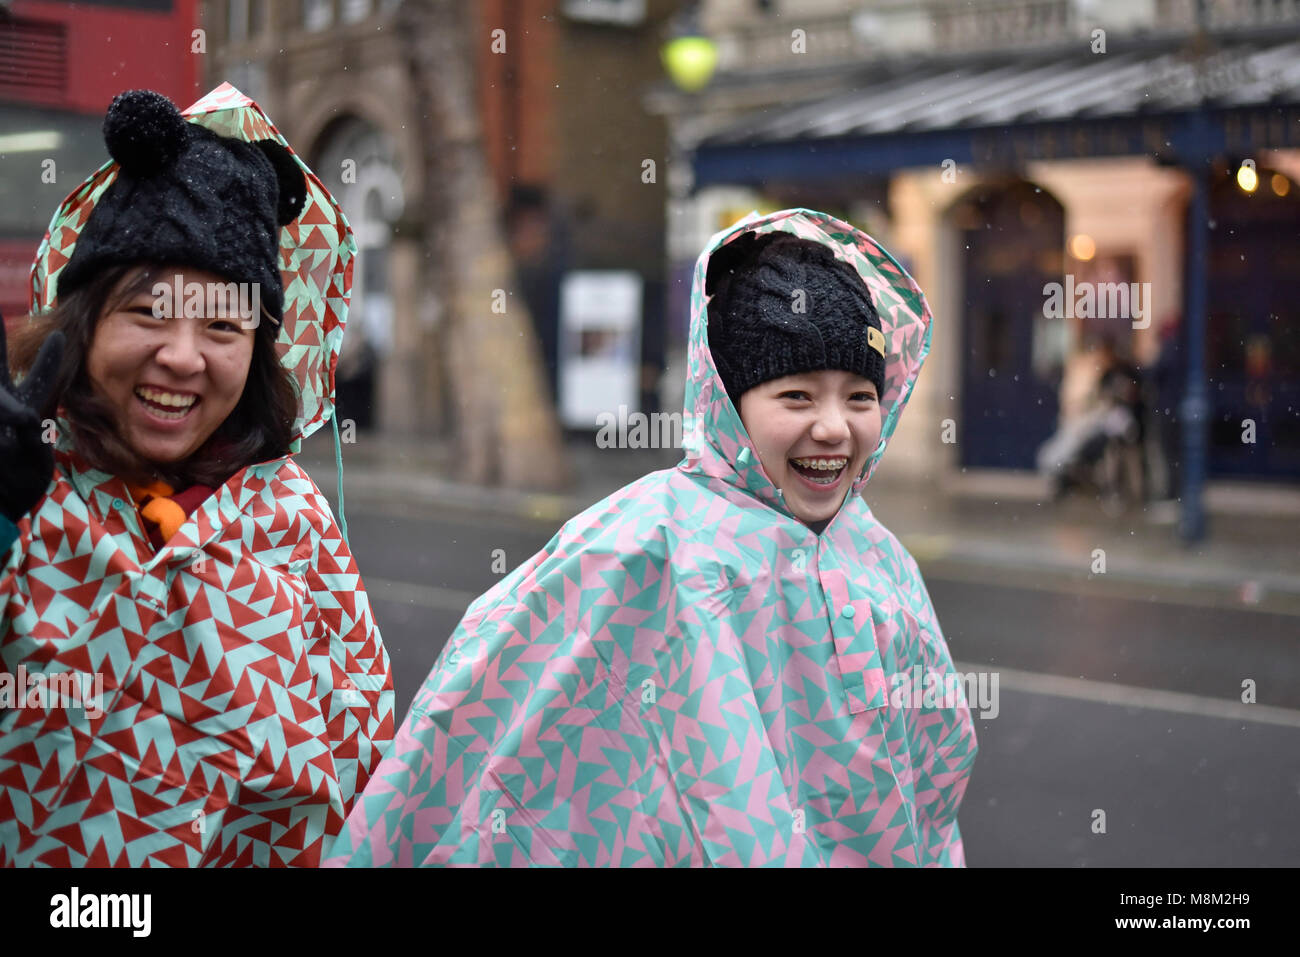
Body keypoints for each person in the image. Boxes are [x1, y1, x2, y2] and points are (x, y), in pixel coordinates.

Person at [324, 208, 978, 867]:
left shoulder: (878, 558)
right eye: (798, 396)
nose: (835, 427)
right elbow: (484, 729)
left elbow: (934, 766)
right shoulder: (641, 545)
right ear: (727, 399)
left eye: (859, 397)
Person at [0, 86, 394, 866]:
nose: (183, 357)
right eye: (147, 312)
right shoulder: (23, 481)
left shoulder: (296, 525)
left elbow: (365, 767)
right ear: (81, 323)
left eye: (222, 325)